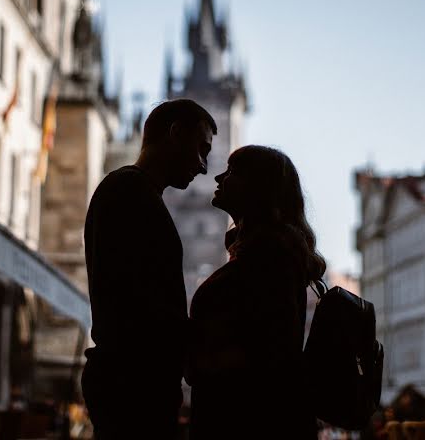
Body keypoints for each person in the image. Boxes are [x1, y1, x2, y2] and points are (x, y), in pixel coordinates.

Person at [81, 99, 216, 439]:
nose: (203, 167)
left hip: (131, 380)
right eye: (201, 150)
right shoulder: (130, 191)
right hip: (134, 383)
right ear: (175, 134)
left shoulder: (134, 191)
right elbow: (142, 303)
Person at [186, 145, 325, 439]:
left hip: (247, 420)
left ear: (258, 189)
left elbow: (264, 355)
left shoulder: (269, 259)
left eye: (233, 171)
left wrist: (195, 354)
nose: (219, 177)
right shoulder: (264, 254)